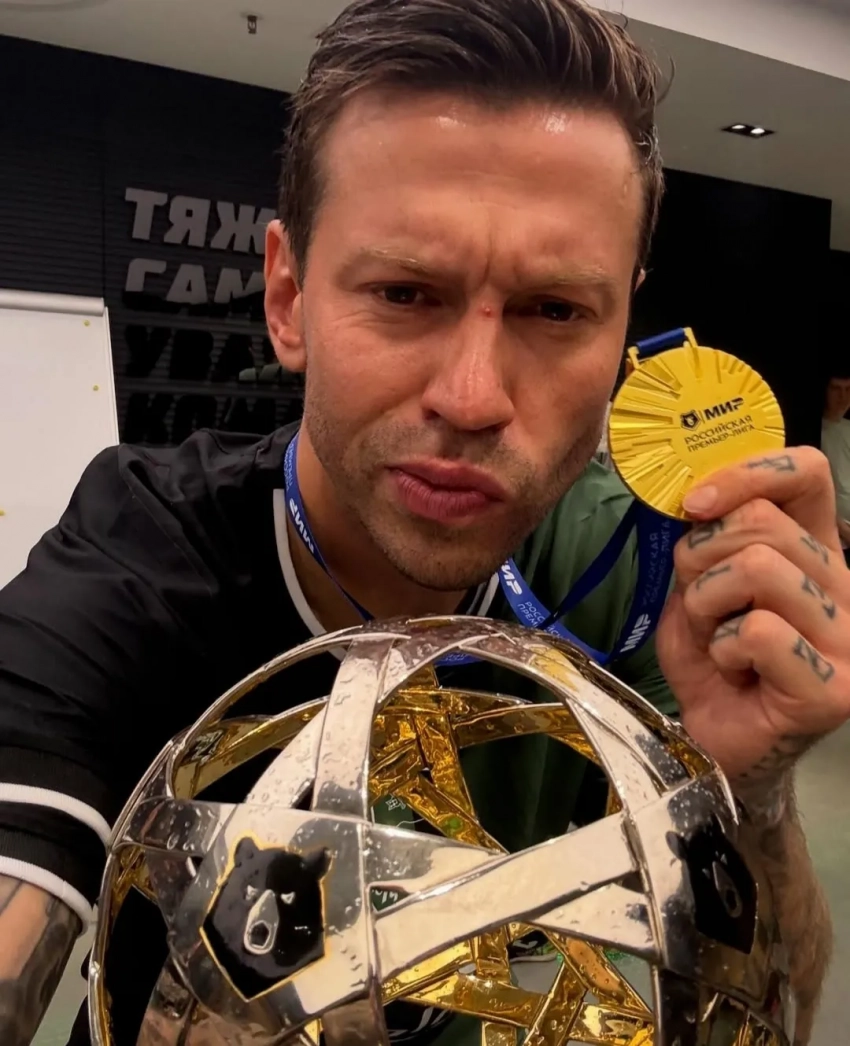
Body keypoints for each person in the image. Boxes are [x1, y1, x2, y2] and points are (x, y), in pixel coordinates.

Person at [0, 0, 847, 1043]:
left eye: (555, 310)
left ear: (625, 322)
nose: (473, 397)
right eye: (404, 293)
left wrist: (749, 791)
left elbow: (774, 1004)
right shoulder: (141, 563)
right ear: (287, 297)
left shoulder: (639, 566)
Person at [821, 368, 850, 565]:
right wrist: (843, 529)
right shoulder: (817, 432)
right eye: (836, 389)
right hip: (834, 540)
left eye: (848, 390)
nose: (843, 397)